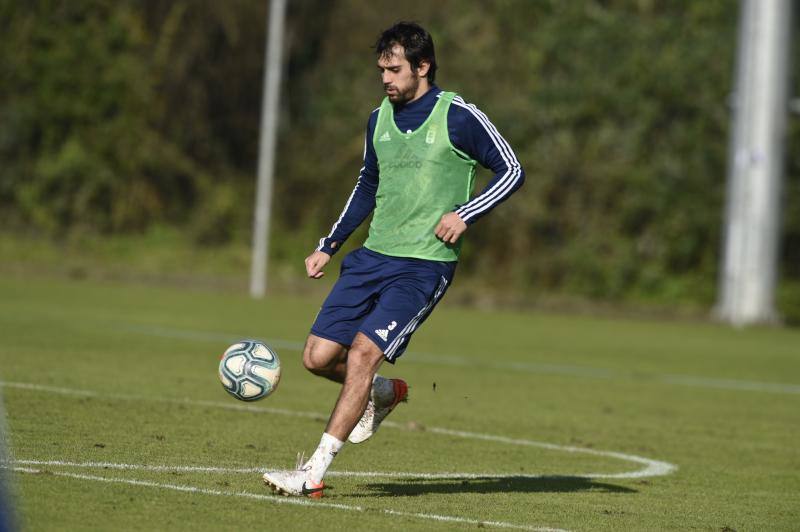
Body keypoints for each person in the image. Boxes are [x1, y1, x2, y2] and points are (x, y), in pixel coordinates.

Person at [262, 21, 525, 498]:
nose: (386, 77)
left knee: (362, 353)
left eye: (395, 68)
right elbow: (367, 186)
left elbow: (513, 169)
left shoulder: (458, 115)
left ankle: (312, 474)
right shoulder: (378, 118)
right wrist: (329, 245)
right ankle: (383, 393)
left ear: (422, 67)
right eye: (381, 68)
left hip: (423, 265)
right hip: (372, 258)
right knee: (317, 357)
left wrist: (466, 213)